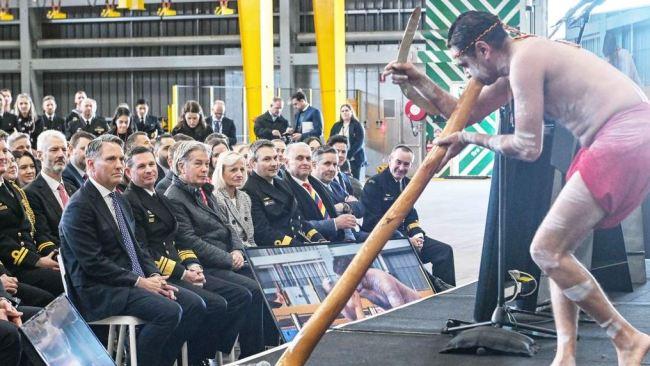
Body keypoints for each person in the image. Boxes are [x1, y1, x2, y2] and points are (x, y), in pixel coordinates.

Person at [383, 10, 650, 365]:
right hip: (622, 134)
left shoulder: (525, 59)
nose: (467, 76)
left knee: (546, 249)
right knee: (559, 252)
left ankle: (626, 337)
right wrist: (414, 80)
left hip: (621, 136)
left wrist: (470, 138)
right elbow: (463, 110)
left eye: (464, 66)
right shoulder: (519, 60)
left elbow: (527, 146)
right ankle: (566, 354)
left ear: (483, 50)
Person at [58, 135, 206, 366]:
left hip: (128, 281)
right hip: (98, 290)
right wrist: (140, 281)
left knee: (195, 305)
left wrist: (154, 276)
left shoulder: (118, 199)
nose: (119, 164)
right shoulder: (79, 207)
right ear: (90, 165)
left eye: (120, 158)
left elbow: (136, 247)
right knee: (168, 312)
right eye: (110, 159)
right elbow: (93, 264)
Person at [123, 146, 248, 363]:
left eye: (152, 164)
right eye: (141, 166)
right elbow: (143, 251)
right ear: (129, 172)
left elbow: (177, 240)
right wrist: (181, 273)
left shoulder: (160, 197)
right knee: (206, 304)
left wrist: (192, 264)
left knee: (226, 300)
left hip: (179, 267)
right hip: (156, 273)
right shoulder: (130, 201)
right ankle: (178, 359)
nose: (149, 170)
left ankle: (197, 357)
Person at [164, 141, 266, 357]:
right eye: (198, 163)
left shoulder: (204, 191)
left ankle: (257, 351)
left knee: (264, 283)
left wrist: (237, 251)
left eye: (207, 164)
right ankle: (217, 353)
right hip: (205, 264)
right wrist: (228, 259)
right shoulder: (174, 197)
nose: (204, 169)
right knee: (249, 291)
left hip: (227, 258)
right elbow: (190, 241)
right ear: (181, 167)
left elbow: (229, 226)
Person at [362, 145, 456, 288]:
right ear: (390, 160)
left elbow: (411, 215)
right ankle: (434, 288)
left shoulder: (408, 183)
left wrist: (418, 236)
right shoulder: (374, 184)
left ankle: (448, 295)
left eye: (406, 164)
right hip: (382, 239)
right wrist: (406, 240)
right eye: (398, 162)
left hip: (407, 237)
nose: (401, 167)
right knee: (413, 258)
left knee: (444, 251)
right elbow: (376, 222)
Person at [0, 137, 63, 299]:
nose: (3, 156)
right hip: (13, 267)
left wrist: (53, 255)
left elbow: (33, 230)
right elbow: (3, 242)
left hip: (32, 261)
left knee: (70, 274)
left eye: (5, 151)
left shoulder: (14, 190)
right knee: (59, 286)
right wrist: (36, 260)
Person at [242, 139, 325, 246]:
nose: (274, 163)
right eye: (267, 159)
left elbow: (298, 218)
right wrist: (296, 245)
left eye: (275, 158)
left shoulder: (282, 183)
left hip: (296, 245)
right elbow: (262, 232)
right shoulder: (249, 190)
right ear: (253, 163)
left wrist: (317, 238)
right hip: (275, 251)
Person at [284, 143, 357, 242]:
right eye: (300, 158)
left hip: (338, 242)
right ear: (286, 163)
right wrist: (334, 224)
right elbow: (297, 225)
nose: (305, 162)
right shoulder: (283, 188)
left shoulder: (316, 183)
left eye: (308, 158)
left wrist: (349, 239)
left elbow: (352, 211)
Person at [24, 130, 76, 252]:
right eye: (54, 150)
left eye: (64, 149)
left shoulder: (73, 190)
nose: (61, 154)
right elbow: (43, 236)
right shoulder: (30, 193)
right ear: (39, 155)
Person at [325, 255, 421, 320]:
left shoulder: (382, 281)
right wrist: (332, 294)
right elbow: (353, 318)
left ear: (357, 271)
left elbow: (403, 315)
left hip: (418, 310)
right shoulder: (358, 287)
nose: (346, 283)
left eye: (347, 279)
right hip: (399, 317)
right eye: (343, 279)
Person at [212, 151, 256, 247]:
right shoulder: (216, 198)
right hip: (233, 253)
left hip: (250, 250)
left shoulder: (245, 197)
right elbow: (225, 237)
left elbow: (250, 236)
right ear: (221, 172)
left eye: (242, 169)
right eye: (233, 170)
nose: (240, 174)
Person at [311, 146, 365, 219]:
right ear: (314, 165)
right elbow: (324, 216)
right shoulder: (310, 188)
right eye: (327, 163)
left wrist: (343, 206)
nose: (332, 169)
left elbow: (360, 209)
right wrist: (348, 206)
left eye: (335, 164)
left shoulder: (335, 185)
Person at [330, 104, 366, 179]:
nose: (344, 112)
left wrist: (347, 155)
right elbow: (330, 140)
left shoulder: (357, 125)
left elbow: (359, 142)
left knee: (354, 180)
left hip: (354, 158)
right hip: (338, 158)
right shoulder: (336, 125)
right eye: (342, 111)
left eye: (347, 110)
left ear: (351, 112)